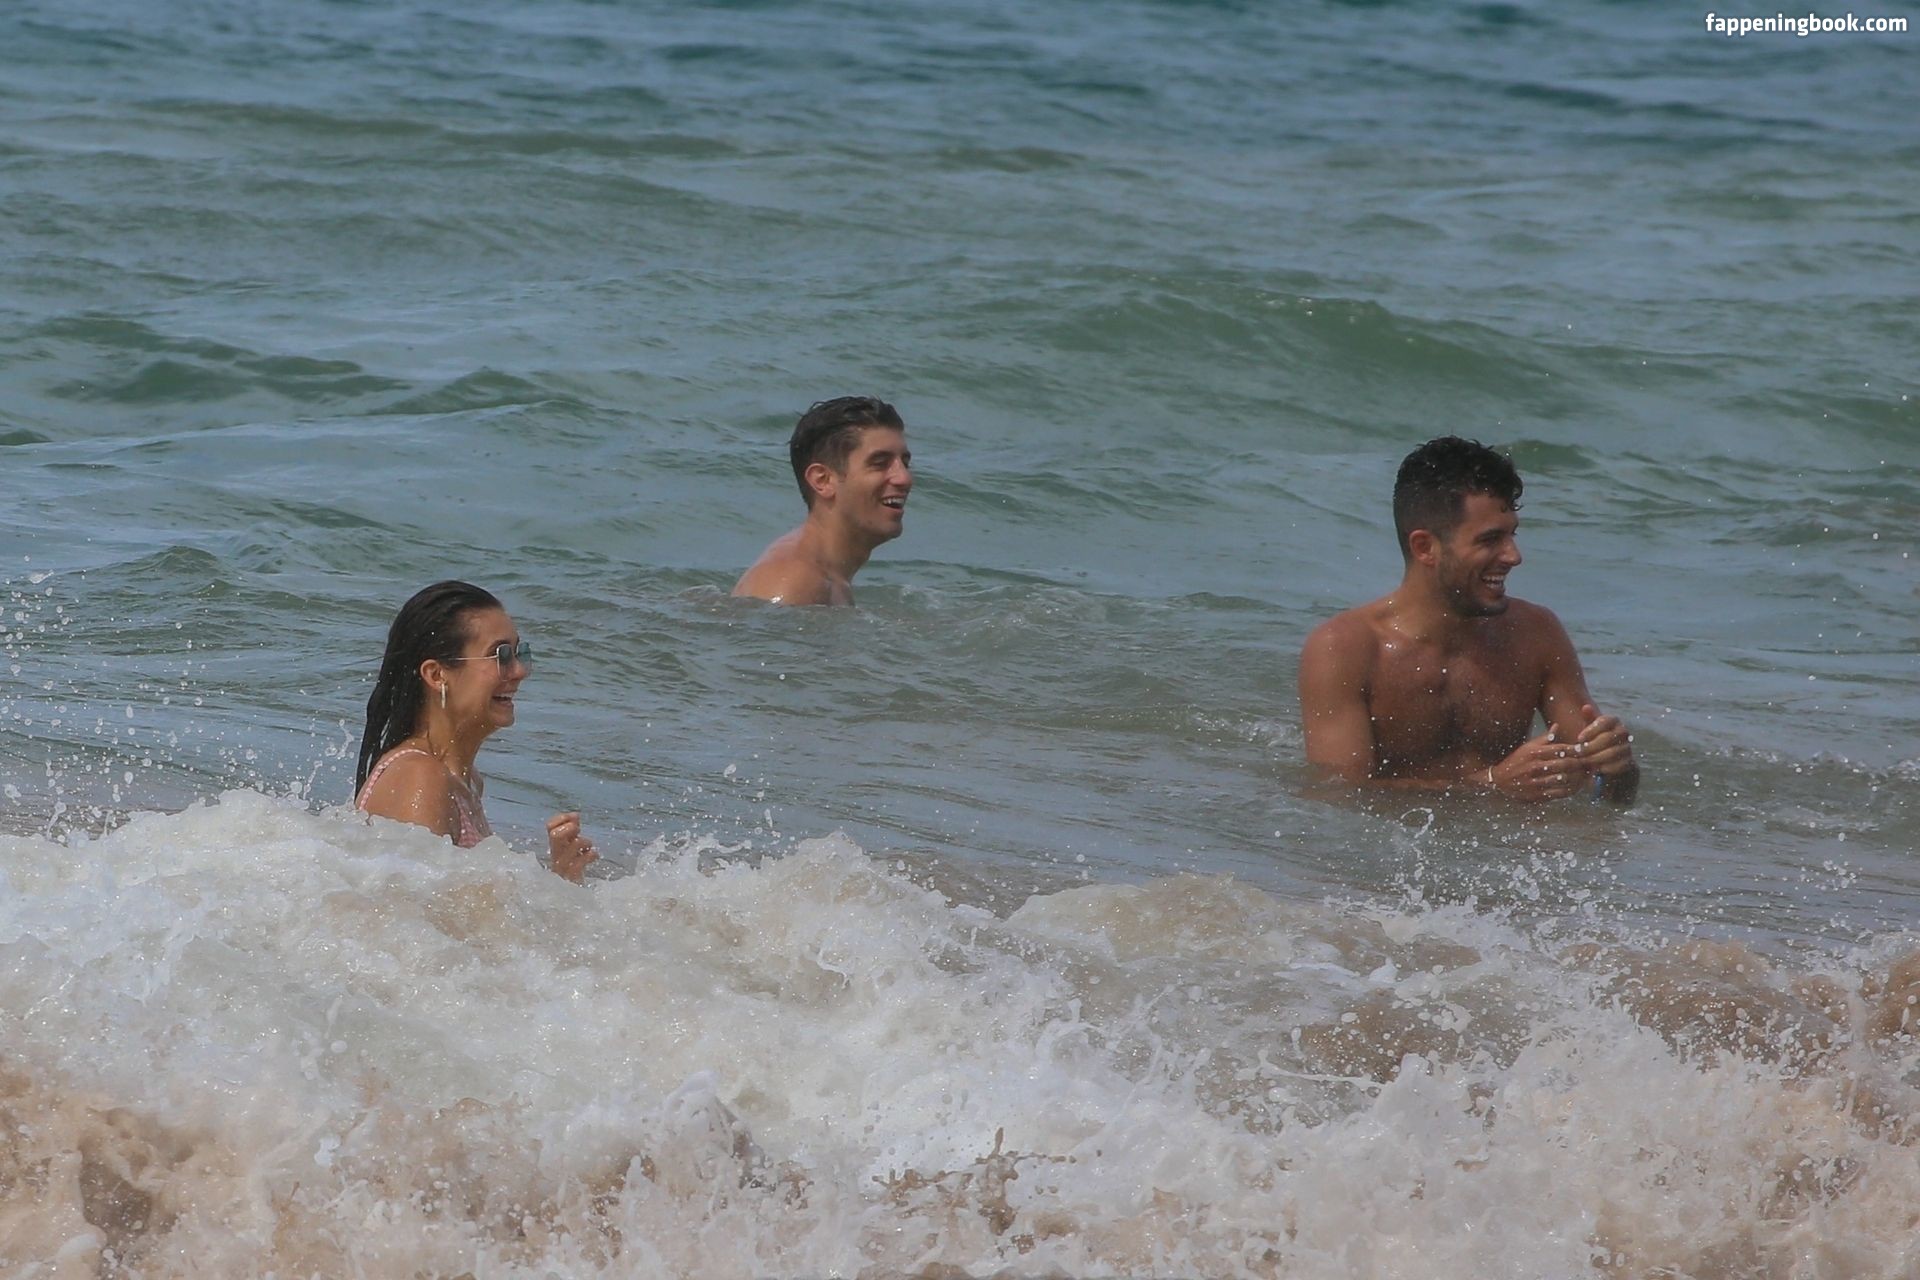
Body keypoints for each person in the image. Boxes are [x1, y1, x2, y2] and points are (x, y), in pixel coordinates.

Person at [1298, 437, 1639, 803]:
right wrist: (1491, 784)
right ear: (1425, 547)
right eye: (1490, 540)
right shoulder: (1345, 649)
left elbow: (1606, 795)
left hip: (1507, 838)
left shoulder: (1536, 634)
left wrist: (1617, 769)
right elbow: (1338, 797)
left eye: (1512, 534)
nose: (1513, 556)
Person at [355, 581, 599, 881]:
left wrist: (560, 879)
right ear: (436, 675)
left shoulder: (466, 782)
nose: (520, 671)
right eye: (501, 655)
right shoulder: (421, 777)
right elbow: (412, 906)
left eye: (519, 652)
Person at [733, 396, 913, 606]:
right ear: (823, 480)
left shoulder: (824, 576)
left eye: (905, 463)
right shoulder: (797, 583)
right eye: (880, 463)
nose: (904, 478)